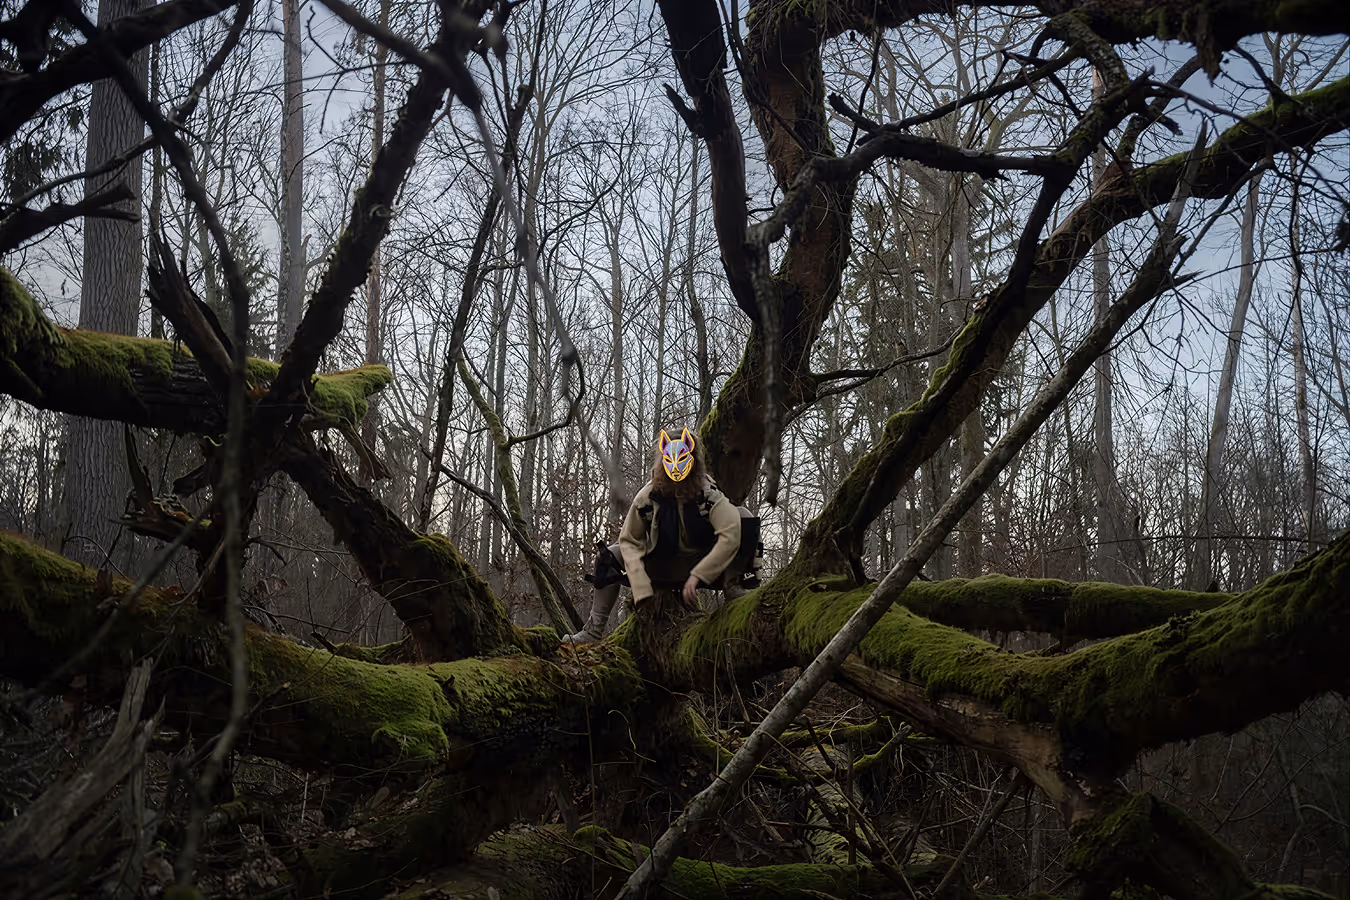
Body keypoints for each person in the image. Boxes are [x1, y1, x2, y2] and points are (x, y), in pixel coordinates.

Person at [563, 427, 758, 643]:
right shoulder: (649, 494)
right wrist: (638, 581)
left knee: (744, 517)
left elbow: (730, 528)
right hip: (660, 565)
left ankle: (734, 586)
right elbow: (628, 540)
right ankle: (593, 630)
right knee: (608, 556)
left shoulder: (707, 492)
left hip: (704, 565)